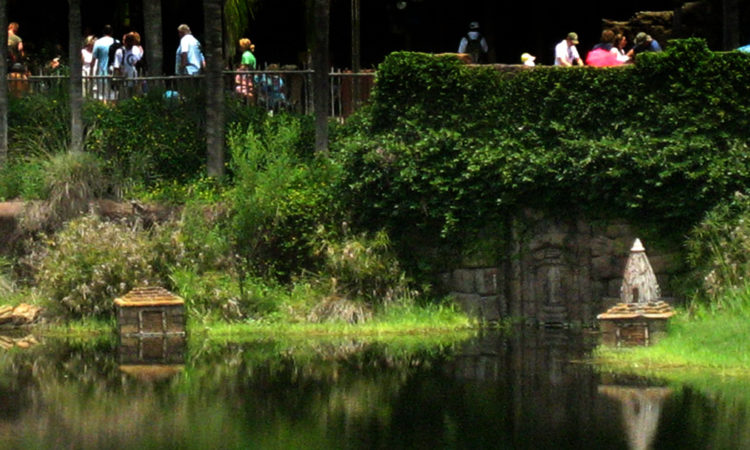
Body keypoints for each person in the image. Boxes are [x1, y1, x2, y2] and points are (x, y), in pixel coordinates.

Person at [92, 25, 116, 100]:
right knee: (113, 94)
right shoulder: (116, 42)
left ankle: (103, 110)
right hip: (114, 72)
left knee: (101, 95)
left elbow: (94, 59)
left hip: (101, 72)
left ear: (103, 32)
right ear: (112, 32)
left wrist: (91, 71)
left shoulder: (98, 42)